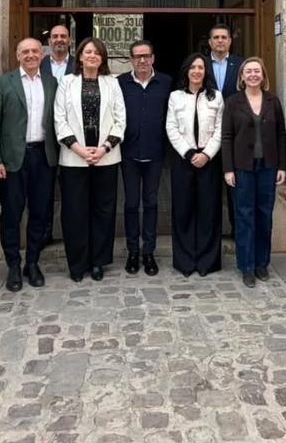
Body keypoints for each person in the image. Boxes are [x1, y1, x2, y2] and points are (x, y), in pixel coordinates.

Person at [0, 37, 59, 292]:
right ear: (18, 55)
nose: (30, 55)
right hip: (12, 160)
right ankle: (13, 266)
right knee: (11, 214)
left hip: (44, 156)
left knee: (40, 213)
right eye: (25, 51)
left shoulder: (51, 82)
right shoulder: (4, 82)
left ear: (42, 55)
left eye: (35, 51)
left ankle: (33, 262)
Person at [55, 37, 126, 281]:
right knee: (74, 212)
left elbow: (120, 119)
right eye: (88, 52)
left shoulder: (112, 83)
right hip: (74, 159)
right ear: (80, 57)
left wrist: (104, 148)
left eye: (97, 52)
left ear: (103, 57)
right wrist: (80, 150)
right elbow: (59, 119)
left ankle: (98, 261)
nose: (92, 56)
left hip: (106, 159)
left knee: (103, 211)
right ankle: (78, 264)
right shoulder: (67, 82)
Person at [221, 57, 286, 288]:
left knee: (264, 216)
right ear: (241, 77)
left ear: (263, 75)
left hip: (268, 167)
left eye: (257, 71)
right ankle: (246, 266)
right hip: (243, 167)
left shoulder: (273, 101)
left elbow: (281, 135)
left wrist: (282, 166)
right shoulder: (232, 102)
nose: (253, 75)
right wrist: (228, 168)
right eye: (248, 71)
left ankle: (262, 264)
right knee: (244, 216)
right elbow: (226, 137)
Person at [117, 40, 172, 276]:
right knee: (130, 204)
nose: (142, 60)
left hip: (155, 152)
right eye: (137, 56)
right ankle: (132, 251)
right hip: (128, 153)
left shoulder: (166, 83)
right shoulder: (120, 83)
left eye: (146, 56)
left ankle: (149, 251)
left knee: (150, 204)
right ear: (130, 59)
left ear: (153, 58)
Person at [166, 53, 225, 277]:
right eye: (192, 67)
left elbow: (221, 129)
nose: (197, 71)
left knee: (208, 211)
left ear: (206, 71)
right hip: (184, 159)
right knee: (183, 210)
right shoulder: (175, 97)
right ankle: (185, 261)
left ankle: (207, 262)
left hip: (209, 160)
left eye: (201, 67)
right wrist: (189, 152)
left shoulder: (216, 98)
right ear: (186, 71)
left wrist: (207, 154)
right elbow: (171, 128)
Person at [208, 23, 243, 236]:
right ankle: (212, 231)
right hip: (208, 134)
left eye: (224, 37)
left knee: (234, 186)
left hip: (236, 133)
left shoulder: (240, 64)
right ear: (210, 42)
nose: (220, 41)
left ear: (230, 41)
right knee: (211, 186)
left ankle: (236, 230)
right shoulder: (200, 65)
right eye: (216, 37)